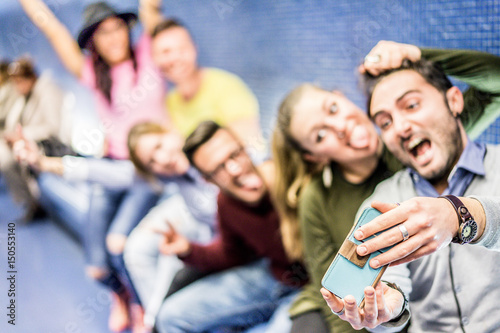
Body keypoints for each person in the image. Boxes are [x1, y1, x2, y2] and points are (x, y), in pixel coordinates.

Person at [271, 42, 495, 333]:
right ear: (313, 156)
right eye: (320, 134)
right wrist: (384, 310)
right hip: (341, 303)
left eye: (334, 108)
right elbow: (378, 284)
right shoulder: (344, 197)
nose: (339, 126)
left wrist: (416, 56)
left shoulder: (427, 139)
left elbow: (494, 80)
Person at [17, 0, 169, 330]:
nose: (114, 38)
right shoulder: (91, 73)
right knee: (96, 268)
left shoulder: (148, 57)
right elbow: (52, 29)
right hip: (110, 167)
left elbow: (150, 11)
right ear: (93, 43)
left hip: (148, 172)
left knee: (118, 243)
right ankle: (120, 295)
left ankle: (143, 308)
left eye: (118, 29)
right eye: (104, 33)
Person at [154, 120, 307, 333]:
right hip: (273, 275)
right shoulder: (226, 204)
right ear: (209, 180)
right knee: (170, 317)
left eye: (235, 154)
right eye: (219, 168)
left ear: (245, 148)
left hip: (310, 287)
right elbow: (232, 253)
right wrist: (188, 249)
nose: (235, 169)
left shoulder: (289, 179)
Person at [123, 122, 219, 330]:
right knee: (145, 252)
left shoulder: (210, 157)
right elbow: (116, 173)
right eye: (152, 161)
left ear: (171, 131)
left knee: (172, 297)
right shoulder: (178, 176)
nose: (162, 159)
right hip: (209, 239)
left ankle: (153, 321)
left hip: (227, 249)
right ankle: (152, 319)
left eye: (159, 146)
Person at [151, 18, 266, 159]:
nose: (175, 58)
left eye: (182, 49)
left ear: (194, 49)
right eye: (165, 52)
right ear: (154, 59)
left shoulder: (227, 86)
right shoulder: (170, 101)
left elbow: (251, 148)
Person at [0, 57, 67, 220]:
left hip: (53, 144)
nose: (17, 87)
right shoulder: (26, 95)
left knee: (7, 158)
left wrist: (23, 136)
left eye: (19, 82)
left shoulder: (47, 92)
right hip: (33, 141)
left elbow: (53, 128)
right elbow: (15, 122)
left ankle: (32, 203)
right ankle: (29, 202)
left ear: (30, 78)